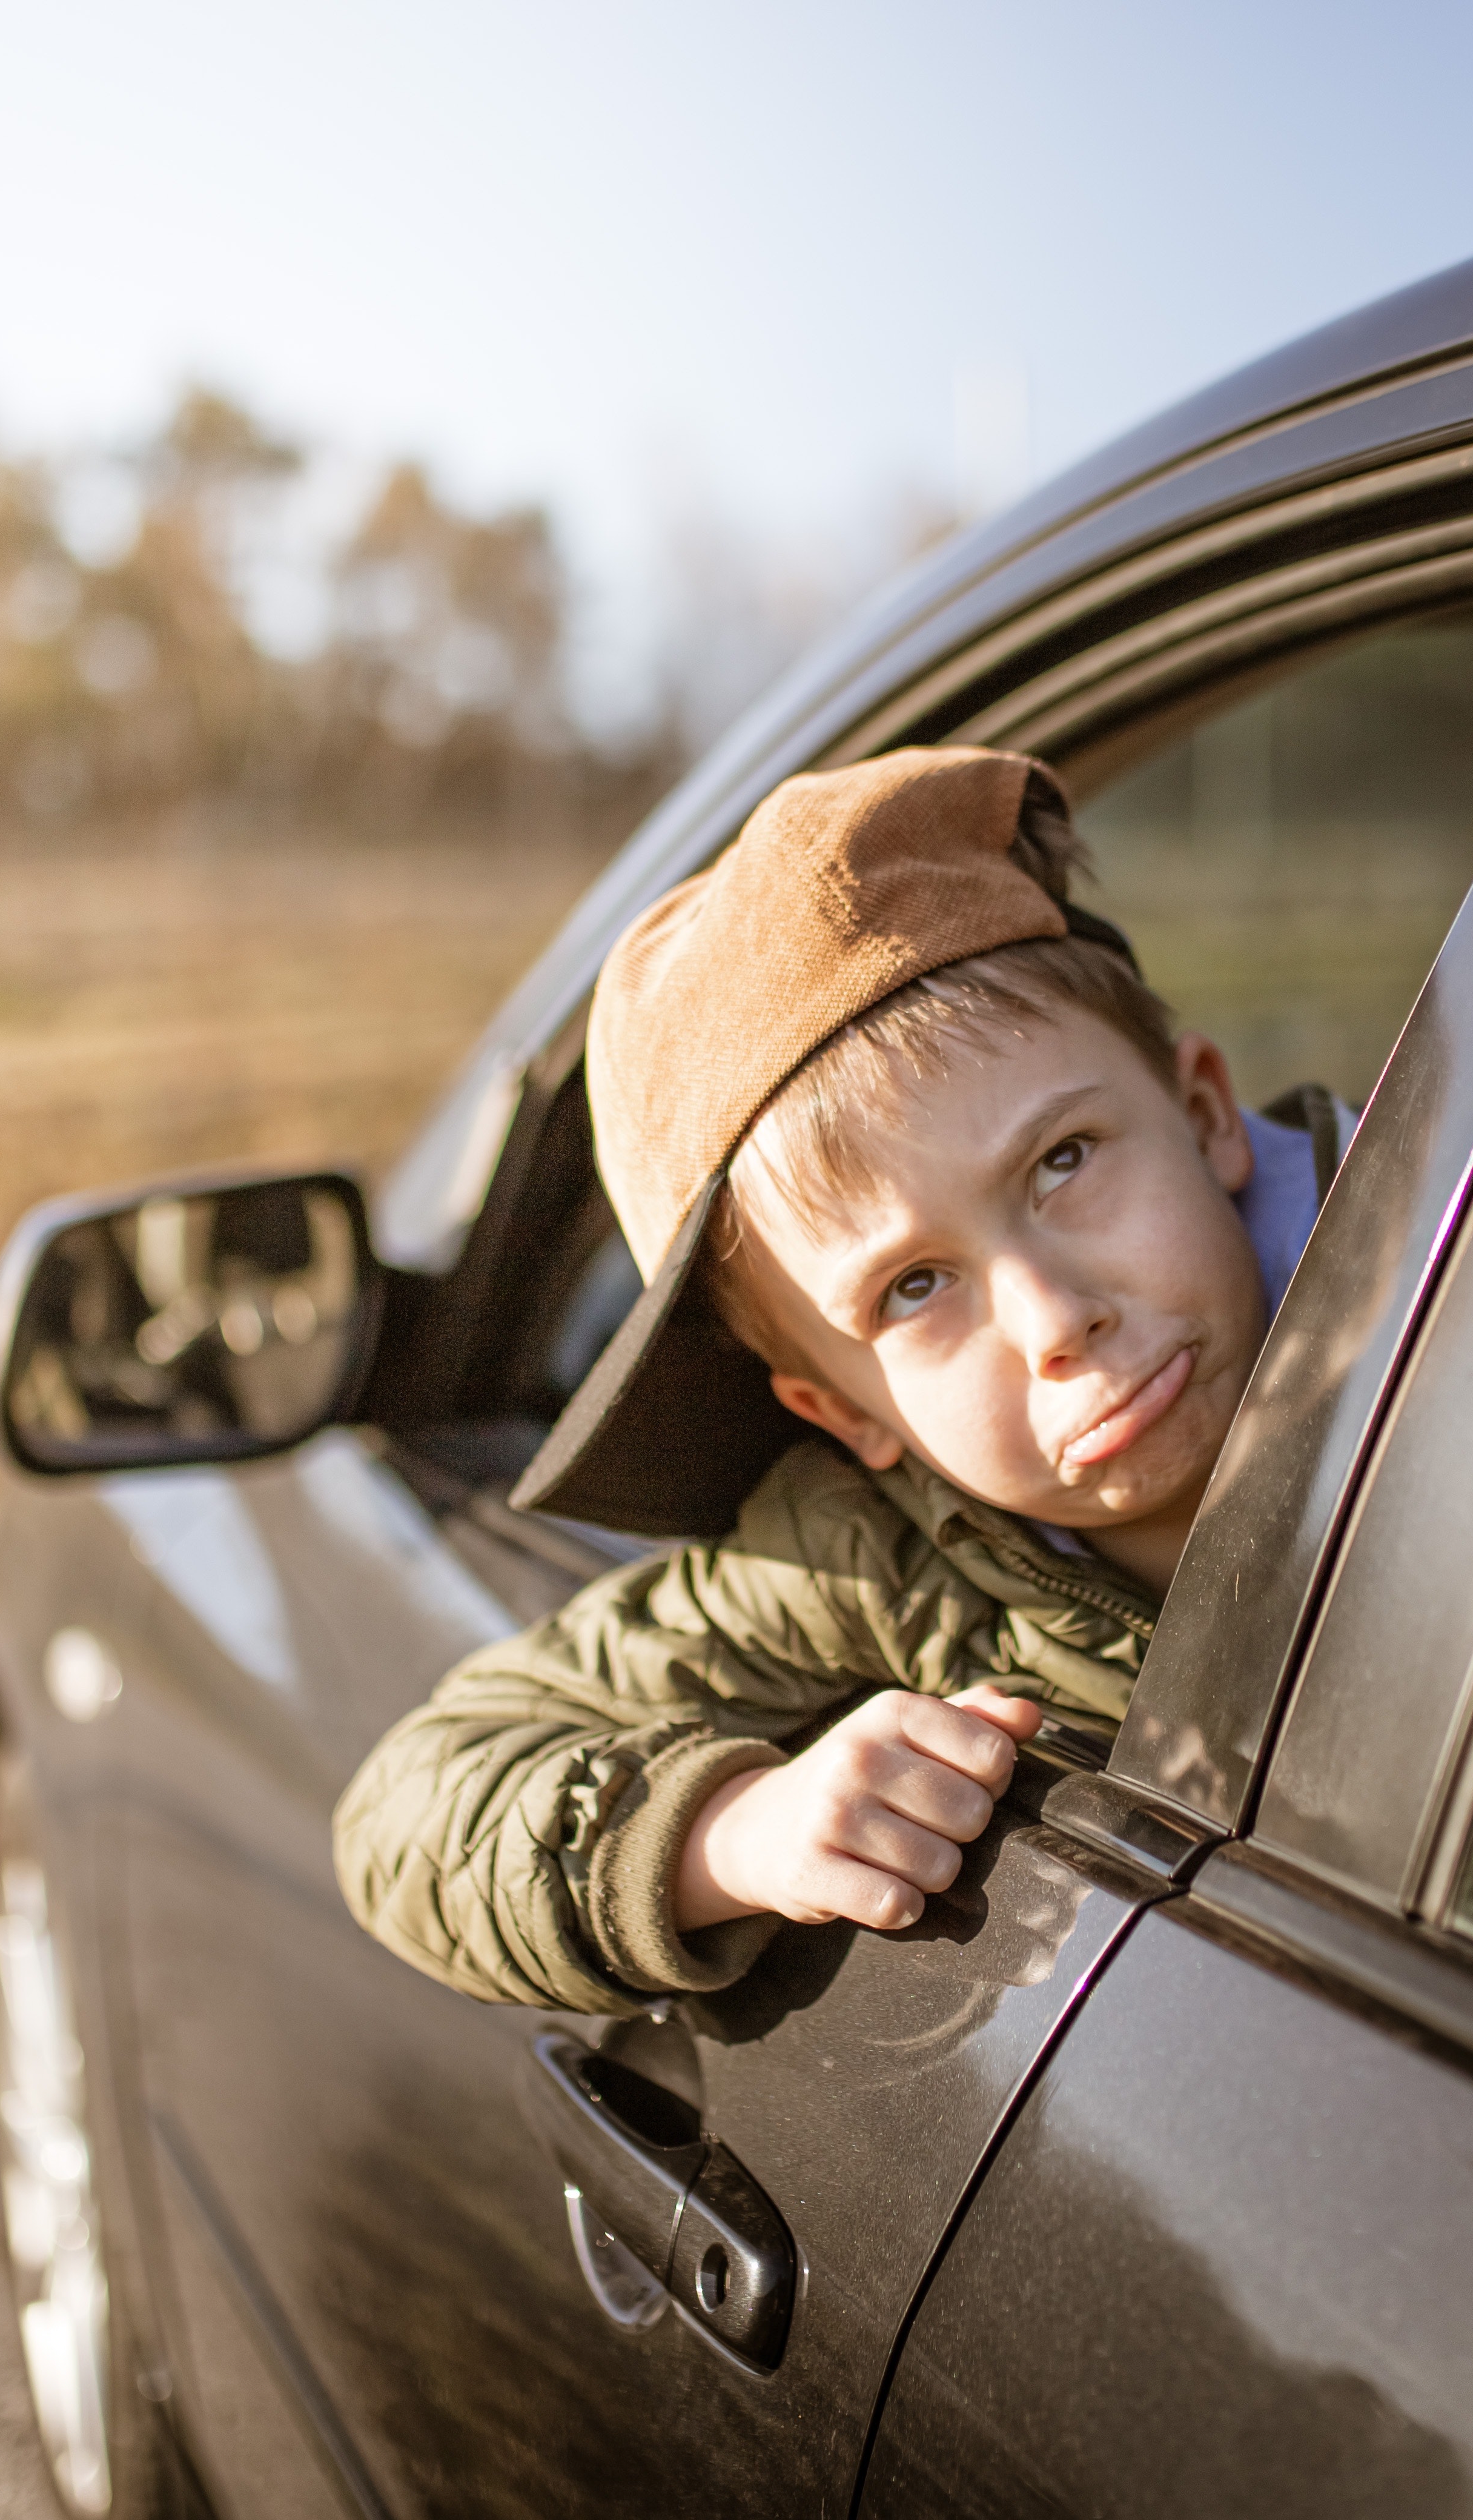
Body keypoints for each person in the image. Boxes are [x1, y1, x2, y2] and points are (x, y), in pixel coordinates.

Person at [332, 744, 1345, 2014]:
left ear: (1202, 1110)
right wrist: (733, 1832)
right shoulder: (859, 1554)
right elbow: (413, 1804)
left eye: (1063, 1159)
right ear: (841, 1410)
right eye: (912, 1288)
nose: (1052, 1318)